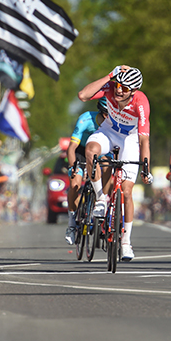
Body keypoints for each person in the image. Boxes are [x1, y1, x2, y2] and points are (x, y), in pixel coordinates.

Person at [78, 65, 153, 261]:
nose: (119, 90)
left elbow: (144, 140)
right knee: (90, 150)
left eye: (125, 88)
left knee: (127, 191)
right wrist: (111, 75)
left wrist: (146, 167)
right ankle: (102, 198)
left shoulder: (141, 103)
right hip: (109, 131)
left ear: (134, 91)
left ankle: (126, 242)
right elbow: (83, 95)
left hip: (130, 139)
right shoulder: (110, 88)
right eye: (118, 85)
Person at [64, 97, 109, 245]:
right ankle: (71, 224)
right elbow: (71, 148)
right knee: (75, 184)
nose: (109, 119)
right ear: (101, 113)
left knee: (109, 167)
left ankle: (102, 203)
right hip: (82, 151)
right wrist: (73, 167)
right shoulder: (86, 119)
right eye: (106, 115)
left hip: (102, 151)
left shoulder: (113, 123)